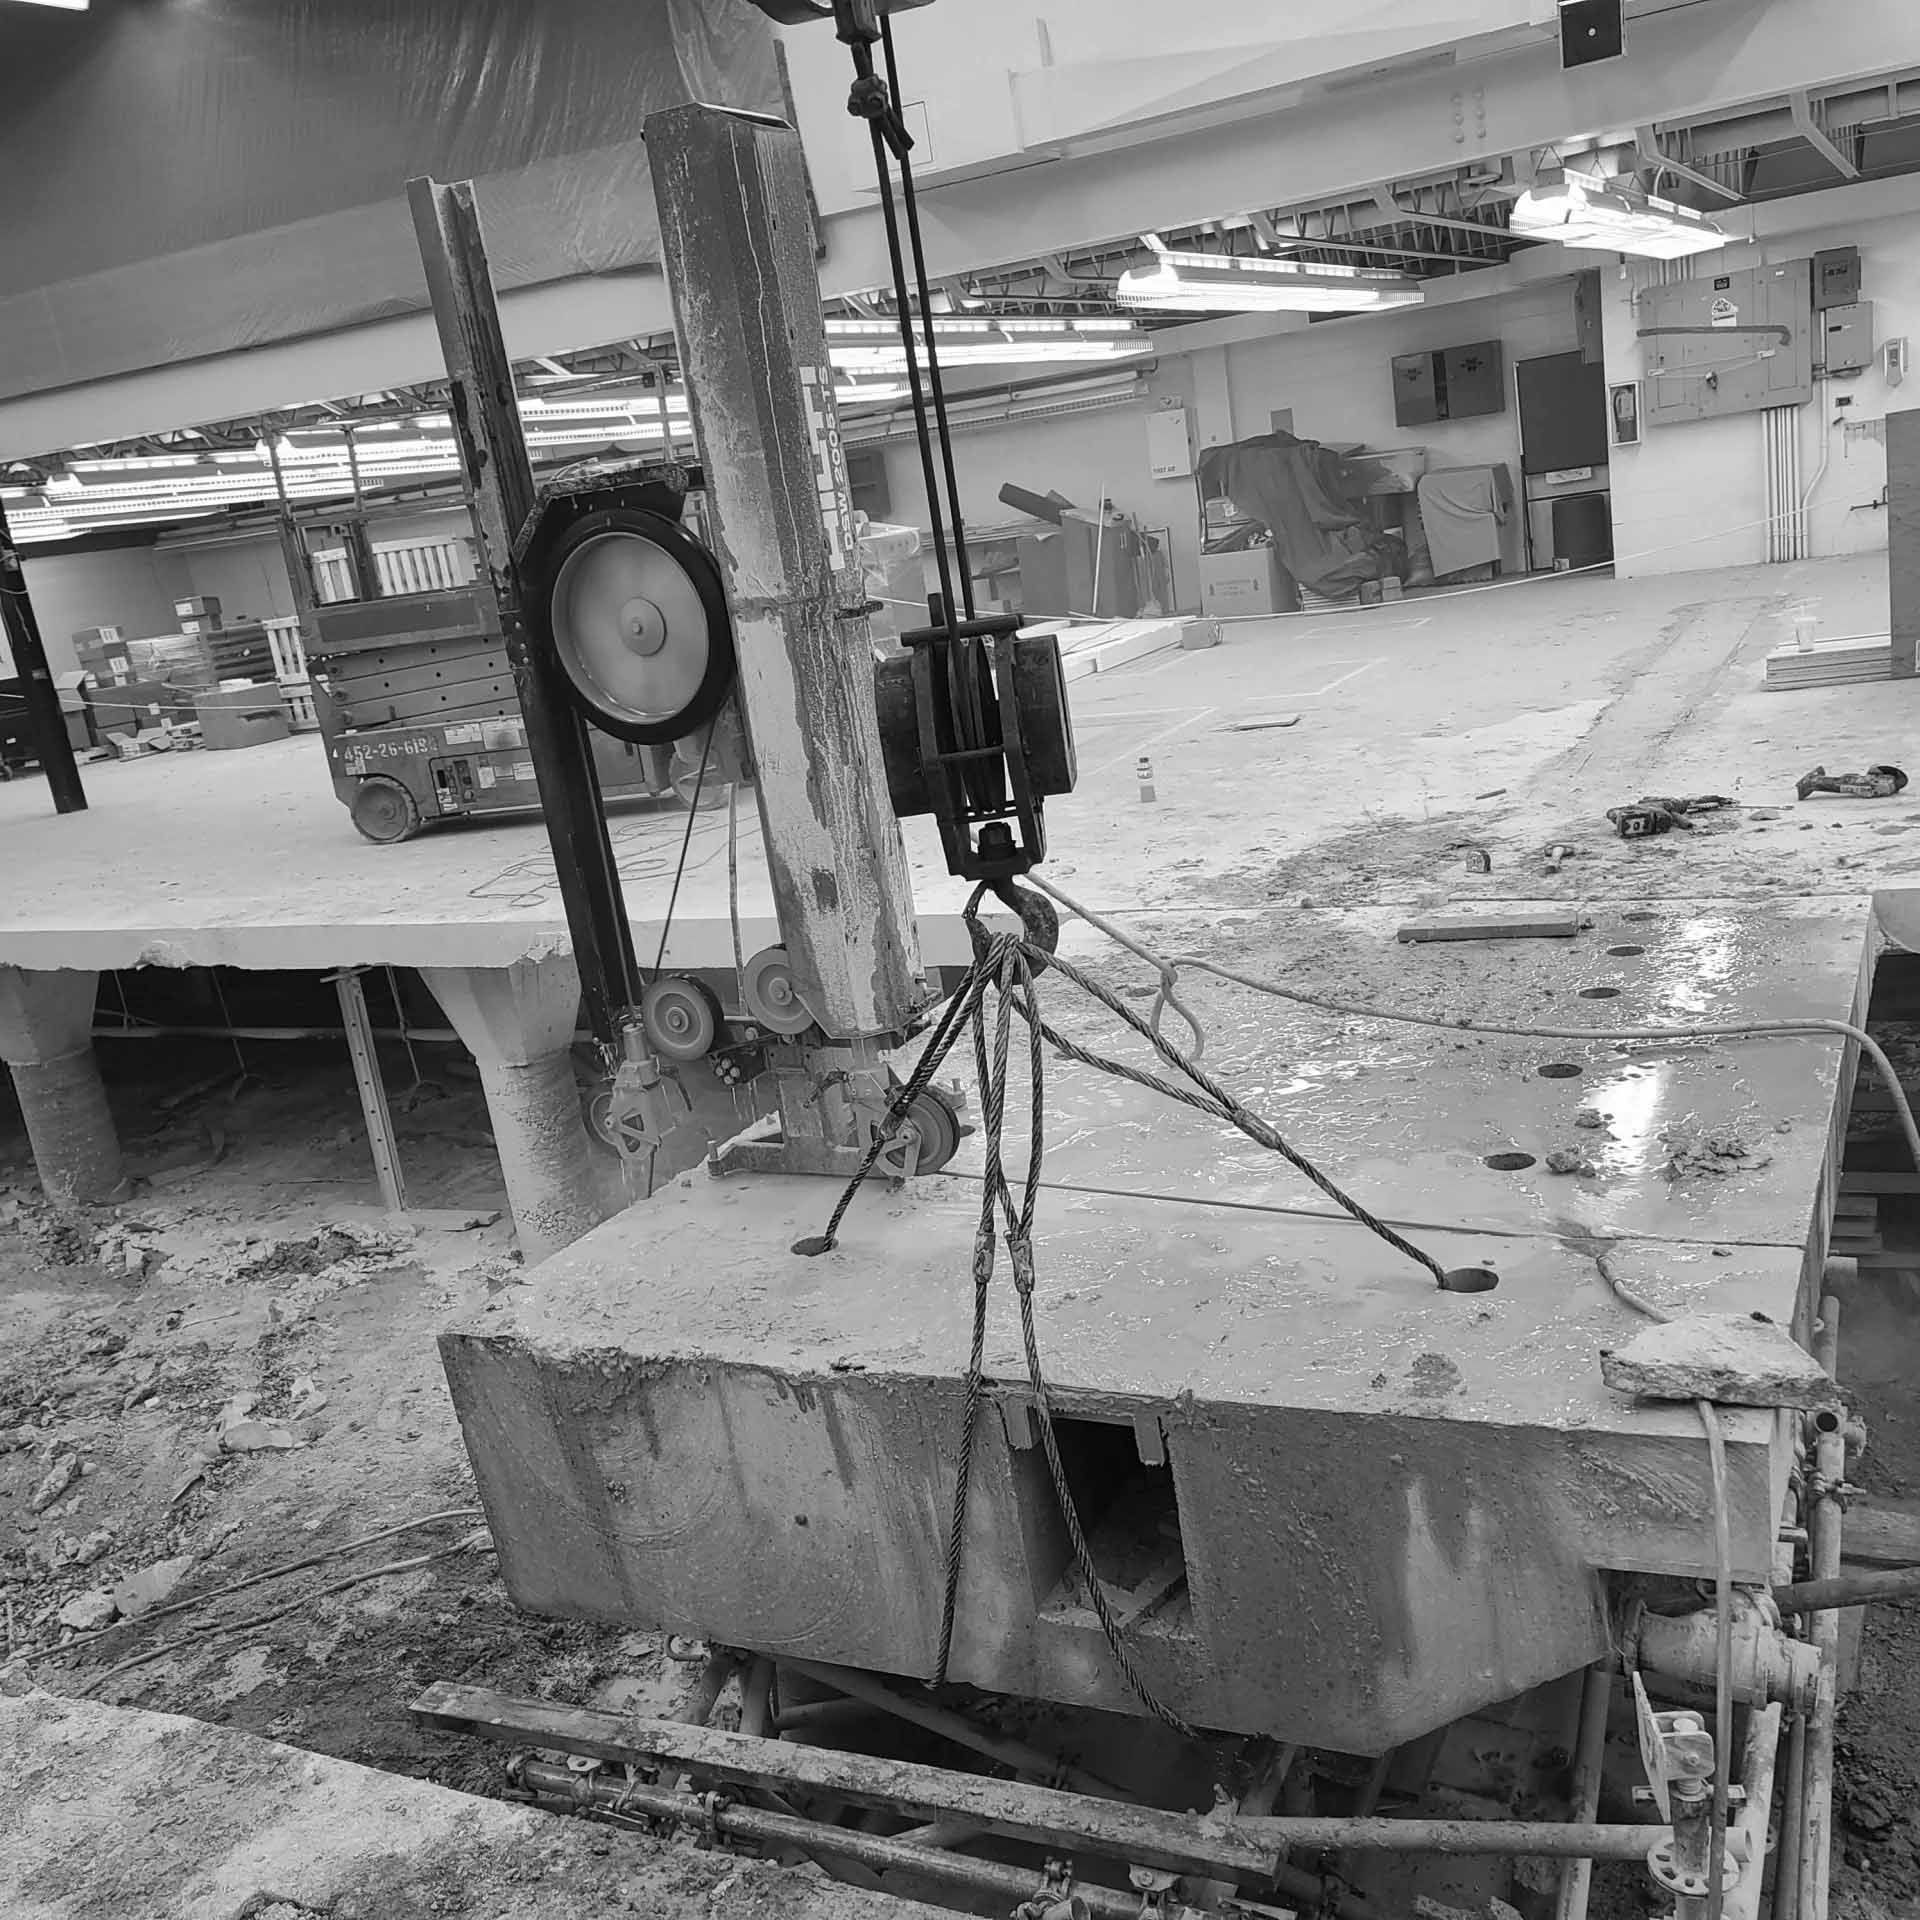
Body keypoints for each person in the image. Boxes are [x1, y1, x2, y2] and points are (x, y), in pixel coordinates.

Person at [1797, 764, 1908, 800]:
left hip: (1866, 787)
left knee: (1843, 783)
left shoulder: (1884, 782)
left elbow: (1872, 770)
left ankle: (1812, 783)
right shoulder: (1890, 784)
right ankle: (1814, 783)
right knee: (1844, 783)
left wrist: (1875, 772)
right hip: (1868, 788)